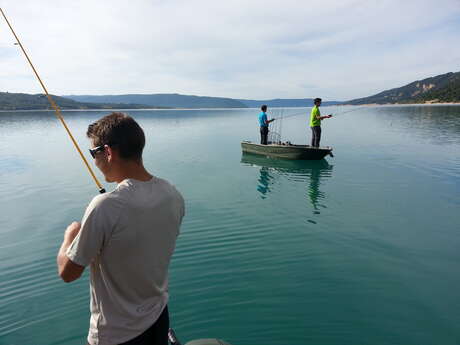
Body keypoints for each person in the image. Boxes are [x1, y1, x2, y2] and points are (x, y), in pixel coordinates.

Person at [56, 112, 185, 345]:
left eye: (93, 153)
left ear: (108, 152)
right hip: (158, 320)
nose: (94, 162)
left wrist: (71, 235)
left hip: (115, 336)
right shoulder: (172, 194)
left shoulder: (105, 207)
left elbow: (68, 273)